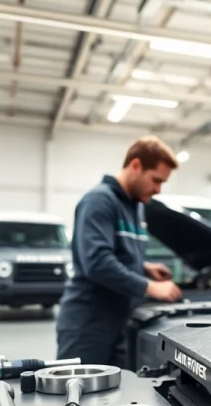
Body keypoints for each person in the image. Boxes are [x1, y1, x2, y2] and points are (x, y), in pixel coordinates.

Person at [56, 136, 183, 366]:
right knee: (79, 398)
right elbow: (97, 263)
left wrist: (144, 267)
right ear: (135, 166)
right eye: (155, 180)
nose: (158, 189)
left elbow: (116, 252)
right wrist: (151, 287)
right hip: (88, 325)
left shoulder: (136, 208)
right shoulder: (99, 201)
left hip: (120, 321)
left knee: (116, 398)